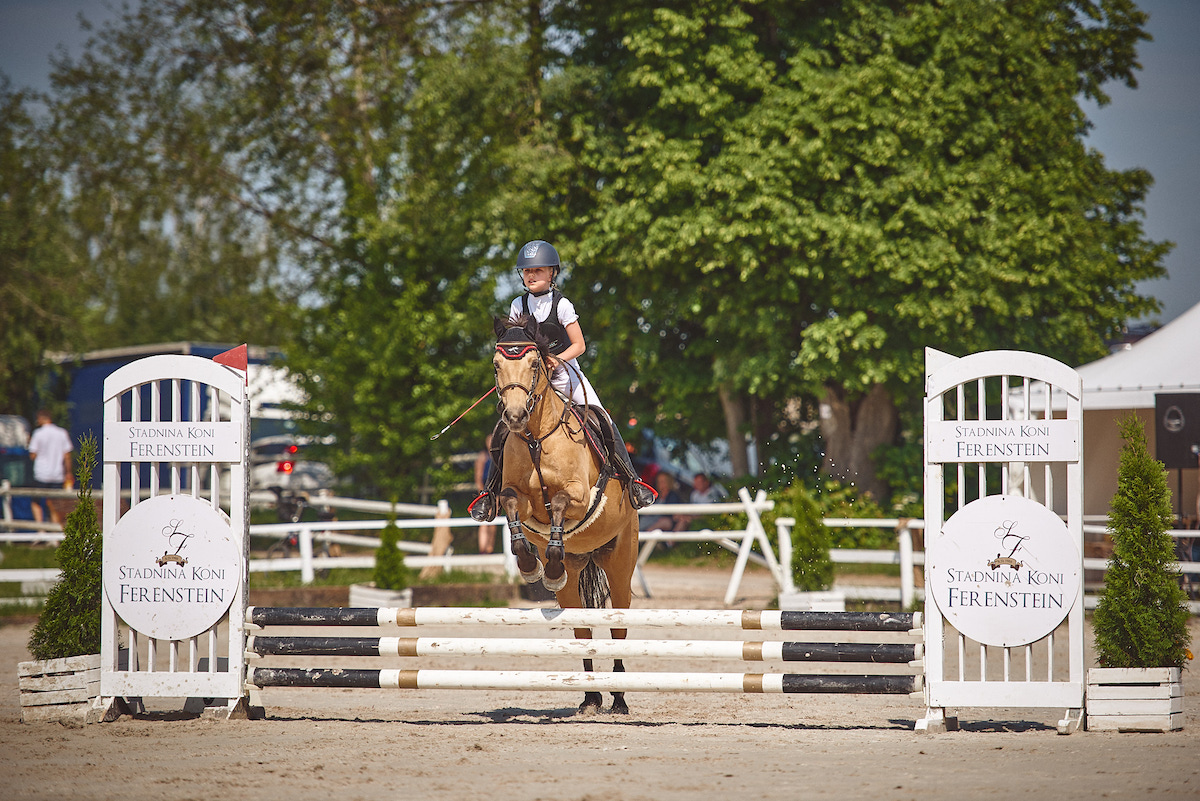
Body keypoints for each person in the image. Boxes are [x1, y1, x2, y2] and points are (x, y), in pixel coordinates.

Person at [471, 239, 656, 521]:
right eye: (526, 272)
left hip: (565, 375)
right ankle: (489, 493)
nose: (531, 276)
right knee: (504, 428)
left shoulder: (562, 305)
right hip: (528, 378)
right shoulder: (517, 304)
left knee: (603, 418)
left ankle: (632, 482)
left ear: (552, 273)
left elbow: (579, 345)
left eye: (538, 270)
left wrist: (556, 360)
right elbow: (512, 343)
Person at [27, 409, 73, 526]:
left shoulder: (38, 434)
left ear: (41, 419)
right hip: (57, 474)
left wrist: (29, 442)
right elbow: (67, 455)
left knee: (36, 502)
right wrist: (68, 472)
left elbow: (32, 455)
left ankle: (40, 529)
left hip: (41, 474)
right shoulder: (62, 433)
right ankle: (55, 532)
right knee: (54, 504)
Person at [473, 433, 496, 553]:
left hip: (495, 492)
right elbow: (478, 478)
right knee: (483, 520)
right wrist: (482, 495)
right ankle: (483, 549)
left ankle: (489, 548)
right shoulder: (483, 457)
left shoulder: (498, 456)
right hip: (485, 492)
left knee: (493, 521)